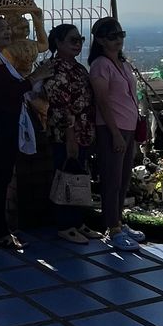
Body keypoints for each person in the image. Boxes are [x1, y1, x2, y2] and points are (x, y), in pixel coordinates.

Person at [0, 14, 52, 251]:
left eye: (8, 27)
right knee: (1, 174)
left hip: (2, 120)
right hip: (1, 121)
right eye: (2, 29)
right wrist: (36, 77)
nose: (8, 32)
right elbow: (7, 91)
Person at [88, 17, 147, 251]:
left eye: (121, 34)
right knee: (111, 179)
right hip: (112, 127)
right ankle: (112, 228)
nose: (118, 40)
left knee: (123, 179)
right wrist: (114, 133)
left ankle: (118, 222)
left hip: (128, 126)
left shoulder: (122, 63)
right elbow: (102, 101)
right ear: (101, 40)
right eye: (112, 36)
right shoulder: (100, 65)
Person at [41, 24, 102, 245]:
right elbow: (61, 107)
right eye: (72, 40)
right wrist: (70, 137)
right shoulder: (56, 69)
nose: (78, 44)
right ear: (58, 42)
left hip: (84, 131)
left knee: (79, 177)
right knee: (66, 177)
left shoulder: (77, 68)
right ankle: (65, 224)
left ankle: (77, 221)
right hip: (66, 134)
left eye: (80, 40)